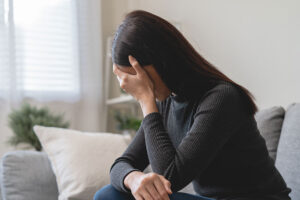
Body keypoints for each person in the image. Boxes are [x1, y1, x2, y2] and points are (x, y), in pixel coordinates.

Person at [94, 10, 291, 200]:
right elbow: (122, 164)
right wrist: (133, 178)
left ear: (160, 60)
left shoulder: (221, 98)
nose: (137, 85)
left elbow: (169, 177)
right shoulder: (166, 103)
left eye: (139, 76)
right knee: (108, 195)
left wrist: (146, 101)